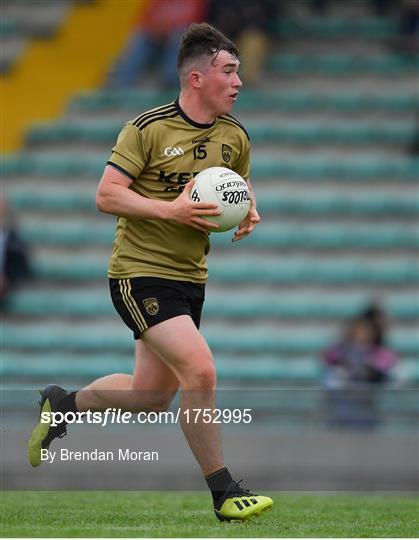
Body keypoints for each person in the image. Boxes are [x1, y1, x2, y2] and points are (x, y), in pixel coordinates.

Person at [27, 22, 273, 522]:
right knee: (201, 370)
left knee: (150, 396)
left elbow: (235, 185)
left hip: (190, 276)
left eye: (239, 72)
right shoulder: (147, 128)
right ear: (196, 78)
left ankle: (64, 404)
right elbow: (106, 195)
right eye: (229, 71)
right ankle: (224, 493)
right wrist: (171, 212)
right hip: (139, 272)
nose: (238, 81)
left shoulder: (235, 135)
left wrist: (247, 209)